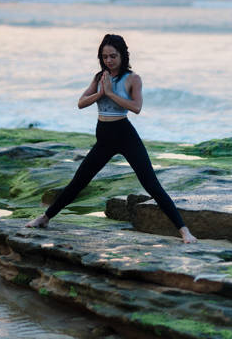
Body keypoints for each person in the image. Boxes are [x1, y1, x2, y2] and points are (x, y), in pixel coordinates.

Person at [26, 34, 197, 244]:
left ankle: (184, 231)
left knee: (151, 184)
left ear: (123, 55)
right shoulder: (100, 77)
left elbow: (136, 107)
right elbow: (81, 103)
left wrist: (110, 93)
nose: (109, 60)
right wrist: (100, 93)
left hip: (125, 135)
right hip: (104, 137)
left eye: (113, 56)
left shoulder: (133, 78)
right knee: (79, 181)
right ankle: (45, 218)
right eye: (105, 56)